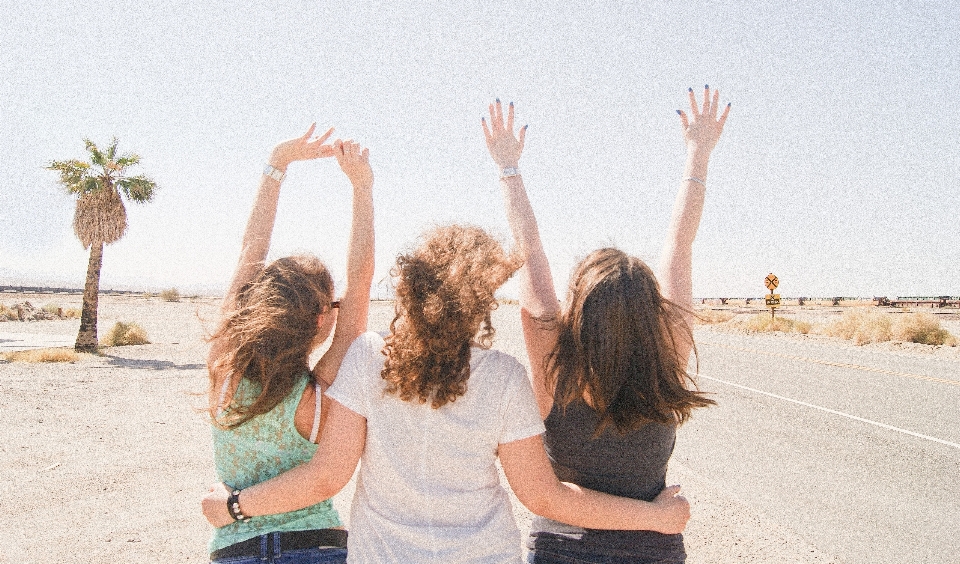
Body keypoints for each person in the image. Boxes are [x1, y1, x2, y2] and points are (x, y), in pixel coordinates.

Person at [202, 223, 691, 563]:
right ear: (480, 302)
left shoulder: (370, 358)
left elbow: (330, 473)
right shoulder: (503, 377)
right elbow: (542, 494)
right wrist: (654, 516)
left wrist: (236, 506)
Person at [483, 89, 727, 564]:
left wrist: (509, 168)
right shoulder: (669, 353)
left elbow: (529, 252)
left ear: (578, 306)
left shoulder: (555, 364)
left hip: (560, 548)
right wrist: (698, 156)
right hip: (652, 549)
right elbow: (680, 243)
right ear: (653, 310)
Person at [205, 123, 374, 564]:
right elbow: (361, 281)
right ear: (322, 318)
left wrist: (277, 163)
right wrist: (362, 188)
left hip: (235, 548)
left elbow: (250, 251)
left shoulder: (224, 365)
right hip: (314, 544)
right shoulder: (318, 392)